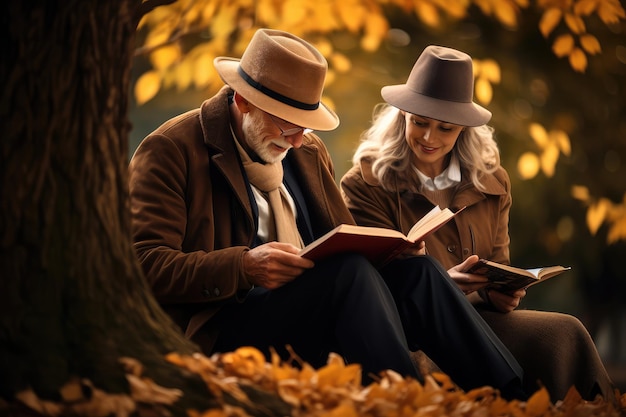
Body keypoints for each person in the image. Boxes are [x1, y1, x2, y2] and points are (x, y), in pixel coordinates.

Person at [128, 29, 528, 398]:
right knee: (348, 275)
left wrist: (393, 253)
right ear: (244, 100)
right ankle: (407, 403)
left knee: (421, 273)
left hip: (310, 309)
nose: (299, 139)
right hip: (228, 325)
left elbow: (344, 238)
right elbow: (142, 265)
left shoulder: (306, 150)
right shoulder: (171, 150)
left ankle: (517, 397)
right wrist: (243, 266)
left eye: (306, 125)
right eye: (287, 127)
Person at [340, 44, 616, 403]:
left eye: (445, 128)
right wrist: (445, 284)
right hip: (408, 326)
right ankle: (516, 401)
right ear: (401, 116)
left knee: (565, 331)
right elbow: (369, 284)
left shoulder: (492, 182)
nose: (429, 138)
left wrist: (503, 292)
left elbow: (498, 263)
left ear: (465, 130)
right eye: (419, 122)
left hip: (479, 319)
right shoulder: (366, 183)